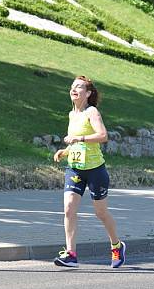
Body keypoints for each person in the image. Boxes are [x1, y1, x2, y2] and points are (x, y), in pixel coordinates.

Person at [53, 76, 126, 268]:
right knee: (69, 208)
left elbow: (103, 136)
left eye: (79, 87)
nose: (74, 89)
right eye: (72, 87)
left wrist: (79, 139)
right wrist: (66, 151)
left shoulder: (91, 112)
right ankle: (71, 254)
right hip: (75, 168)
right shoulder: (72, 114)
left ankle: (116, 246)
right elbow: (75, 141)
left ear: (88, 93)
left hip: (95, 170)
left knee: (101, 213)